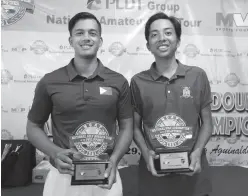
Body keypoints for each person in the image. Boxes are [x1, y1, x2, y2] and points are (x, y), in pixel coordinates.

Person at [27, 12, 133, 196]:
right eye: (79, 33)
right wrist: (54, 152)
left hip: (106, 175)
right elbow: (33, 127)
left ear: (100, 41)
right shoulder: (49, 81)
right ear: (70, 40)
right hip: (63, 177)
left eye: (92, 33)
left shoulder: (118, 82)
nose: (86, 38)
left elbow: (126, 126)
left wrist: (115, 160)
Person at [130, 12, 213, 196]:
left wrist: (198, 152)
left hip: (193, 171)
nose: (162, 39)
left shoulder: (197, 76)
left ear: (178, 40)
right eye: (154, 34)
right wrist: (145, 153)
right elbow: (134, 127)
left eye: (168, 33)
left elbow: (207, 122)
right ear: (148, 45)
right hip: (153, 173)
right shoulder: (138, 81)